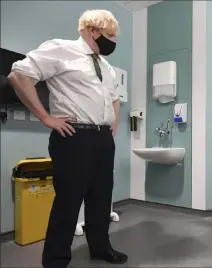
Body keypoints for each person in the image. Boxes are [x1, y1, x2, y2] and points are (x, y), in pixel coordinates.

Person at [8, 9, 128, 268]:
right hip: (74, 138)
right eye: (109, 35)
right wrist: (45, 118)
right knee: (68, 200)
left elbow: (115, 98)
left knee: (101, 197)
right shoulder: (61, 49)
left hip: (103, 140)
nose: (113, 42)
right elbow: (18, 75)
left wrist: (112, 125)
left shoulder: (105, 67)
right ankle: (55, 260)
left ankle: (100, 248)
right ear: (92, 30)